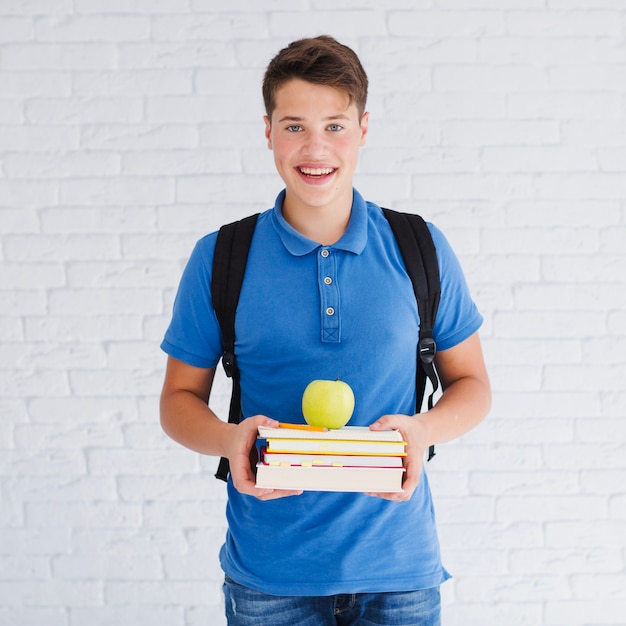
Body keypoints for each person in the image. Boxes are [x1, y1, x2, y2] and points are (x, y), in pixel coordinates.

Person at [160, 35, 491, 626]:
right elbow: (178, 401)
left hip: (400, 575)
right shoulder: (222, 256)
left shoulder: (420, 247)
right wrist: (230, 440)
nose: (315, 147)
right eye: (294, 126)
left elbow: (472, 385)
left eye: (335, 126)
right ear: (267, 131)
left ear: (364, 129)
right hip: (269, 579)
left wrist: (423, 430)